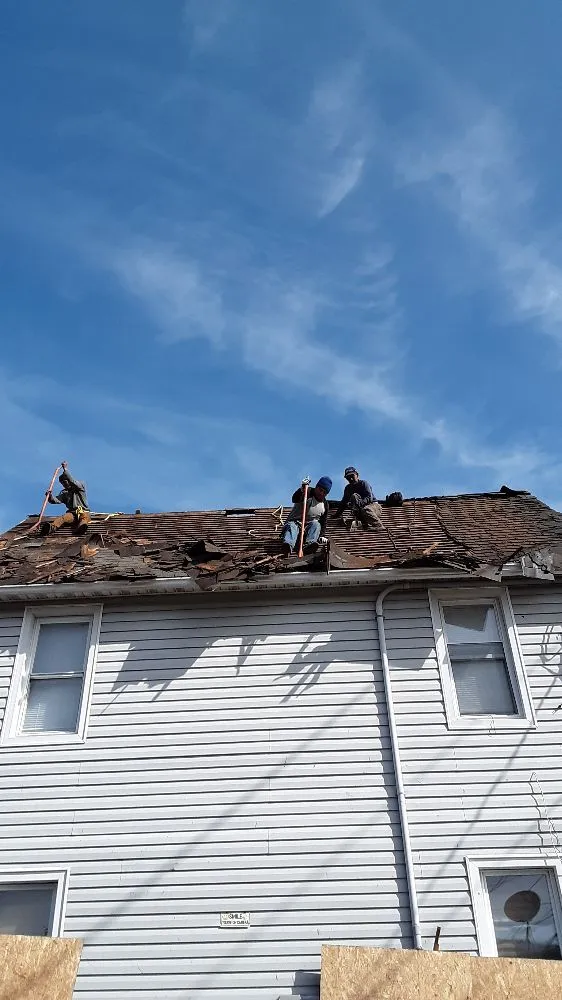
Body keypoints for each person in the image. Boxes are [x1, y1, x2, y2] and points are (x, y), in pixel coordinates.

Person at [281, 477, 332, 554]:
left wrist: (322, 535)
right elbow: (294, 499)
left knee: (316, 524)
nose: (321, 493)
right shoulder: (307, 491)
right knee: (292, 526)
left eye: (324, 492)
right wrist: (302, 489)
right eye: (320, 490)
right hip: (295, 523)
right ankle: (288, 546)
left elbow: (323, 522)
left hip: (308, 530)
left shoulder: (325, 505)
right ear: (316, 487)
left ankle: (310, 545)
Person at [39, 462, 91, 536]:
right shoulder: (65, 494)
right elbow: (55, 500)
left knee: (84, 517)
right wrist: (50, 496)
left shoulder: (80, 486)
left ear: (69, 481)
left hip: (83, 511)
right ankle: (50, 528)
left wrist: (65, 469)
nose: (64, 484)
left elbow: (73, 482)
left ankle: (81, 528)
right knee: (63, 518)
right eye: (62, 483)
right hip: (72, 513)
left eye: (65, 482)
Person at [335, 466, 383, 531]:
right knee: (355, 498)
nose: (351, 479)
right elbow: (343, 502)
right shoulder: (348, 489)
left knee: (365, 508)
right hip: (361, 511)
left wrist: (358, 504)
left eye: (352, 476)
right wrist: (336, 515)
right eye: (348, 478)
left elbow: (369, 497)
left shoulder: (363, 483)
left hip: (373, 507)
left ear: (357, 475)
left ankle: (378, 525)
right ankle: (363, 523)